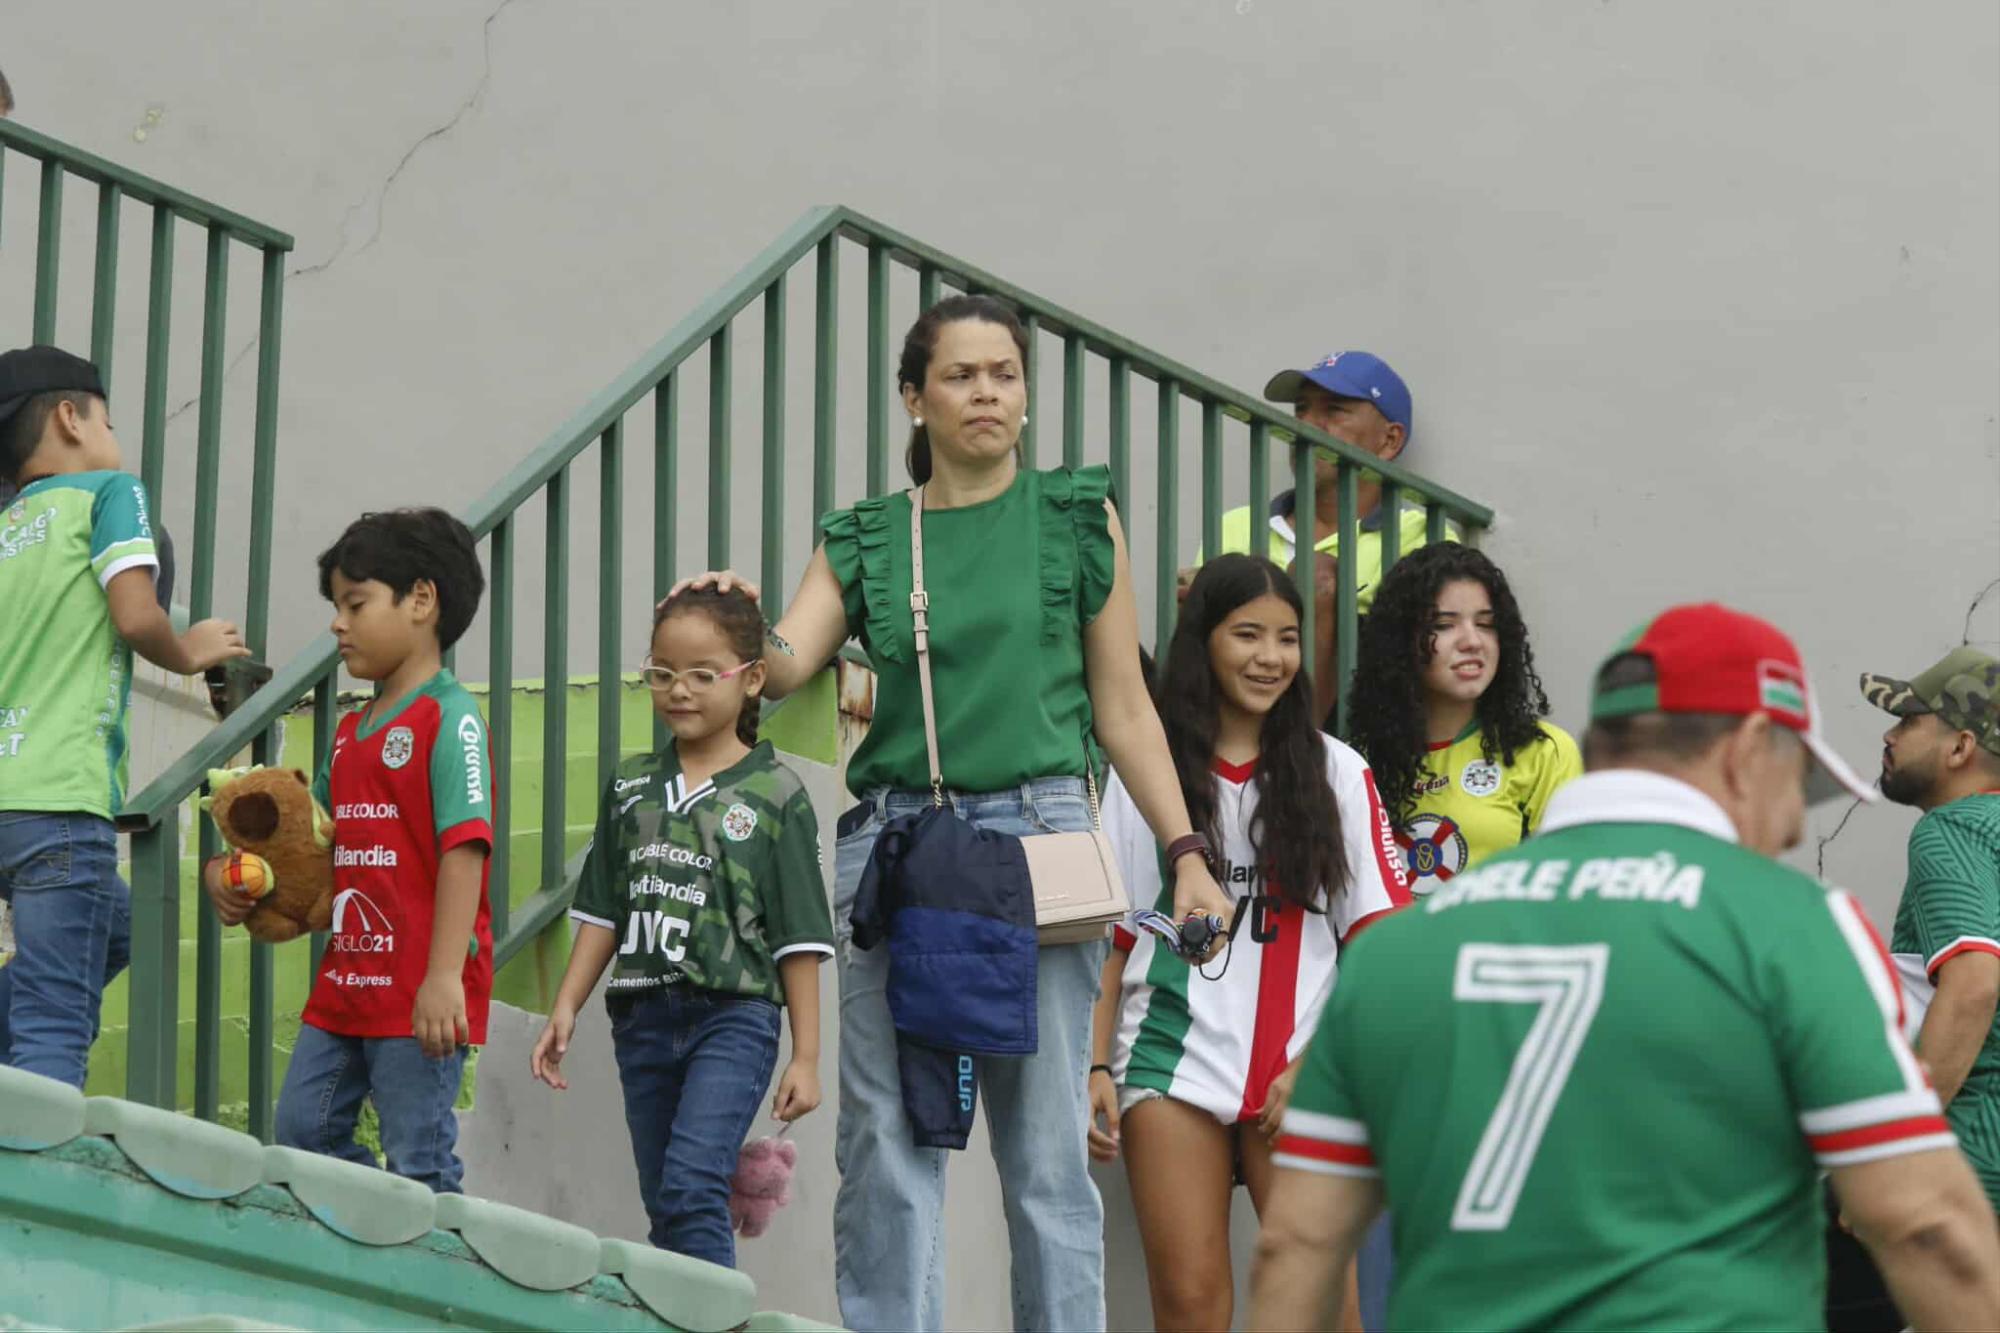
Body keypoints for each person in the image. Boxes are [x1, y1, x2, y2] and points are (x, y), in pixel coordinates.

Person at [671, 293, 1232, 1332]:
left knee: (1046, 1145)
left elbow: (1123, 708)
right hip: (898, 846)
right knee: (886, 1137)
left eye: (1004, 374)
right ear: (913, 398)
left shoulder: (1074, 515)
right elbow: (788, 662)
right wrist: (737, 625)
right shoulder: (869, 538)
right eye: (961, 375)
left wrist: (1185, 850)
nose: (987, 393)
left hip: (1041, 838)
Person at [1248, 603, 2000, 1332]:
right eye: (1795, 784)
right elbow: (1926, 1222)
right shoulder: (1795, 930)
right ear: (1746, 752)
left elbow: (1296, 1244)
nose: (1796, 824)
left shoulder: (1396, 952)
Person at [1087, 554, 1408, 1332]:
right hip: (1169, 1055)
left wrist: (1319, 1060)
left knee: (1327, 1312)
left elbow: (1383, 945)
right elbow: (1114, 940)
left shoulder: (1339, 772)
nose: (1271, 657)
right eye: (1248, 635)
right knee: (1192, 1308)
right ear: (1206, 642)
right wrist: (1093, 1064)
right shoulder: (1147, 773)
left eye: (1288, 638)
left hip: (1302, 1062)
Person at [530, 585, 833, 1268]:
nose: (679, 690)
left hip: (734, 1016)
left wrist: (806, 1056)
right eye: (662, 672)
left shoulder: (777, 795)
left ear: (753, 679)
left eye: (703, 674)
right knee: (666, 1198)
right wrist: (566, 1004)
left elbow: (800, 938)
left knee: (694, 1184)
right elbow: (603, 909)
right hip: (640, 1020)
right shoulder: (630, 786)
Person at [207, 508, 493, 1192]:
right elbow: (309, 847)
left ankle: (436, 1289)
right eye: (337, 605)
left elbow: (466, 848)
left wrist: (443, 977)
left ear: (421, 600)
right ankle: (376, 1238)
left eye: (355, 602)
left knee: (419, 1158)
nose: (338, 622)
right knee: (304, 1129)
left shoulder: (449, 718)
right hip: (345, 983)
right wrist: (231, 878)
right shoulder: (346, 731)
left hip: (418, 992)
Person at [0, 345, 247, 1088]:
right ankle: (32, 1199)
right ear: (72, 418)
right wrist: (191, 651)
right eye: (107, 418)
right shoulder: (111, 491)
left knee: (121, 922)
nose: (113, 435)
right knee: (55, 1018)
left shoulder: (7, 526)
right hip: (62, 800)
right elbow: (138, 615)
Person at [1195, 350, 1454, 720]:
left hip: (1352, 734)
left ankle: (1292, 751)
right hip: (1226, 721)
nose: (1305, 426)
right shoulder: (1237, 524)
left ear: (1390, 440)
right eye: (1301, 409)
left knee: (1318, 575)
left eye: (1333, 410)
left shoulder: (1420, 537)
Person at [1347, 542, 1581, 899]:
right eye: (1443, 625)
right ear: (1401, 642)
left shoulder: (1543, 752)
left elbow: (1566, 891)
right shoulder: (1359, 761)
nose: (1472, 641)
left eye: (1486, 625)